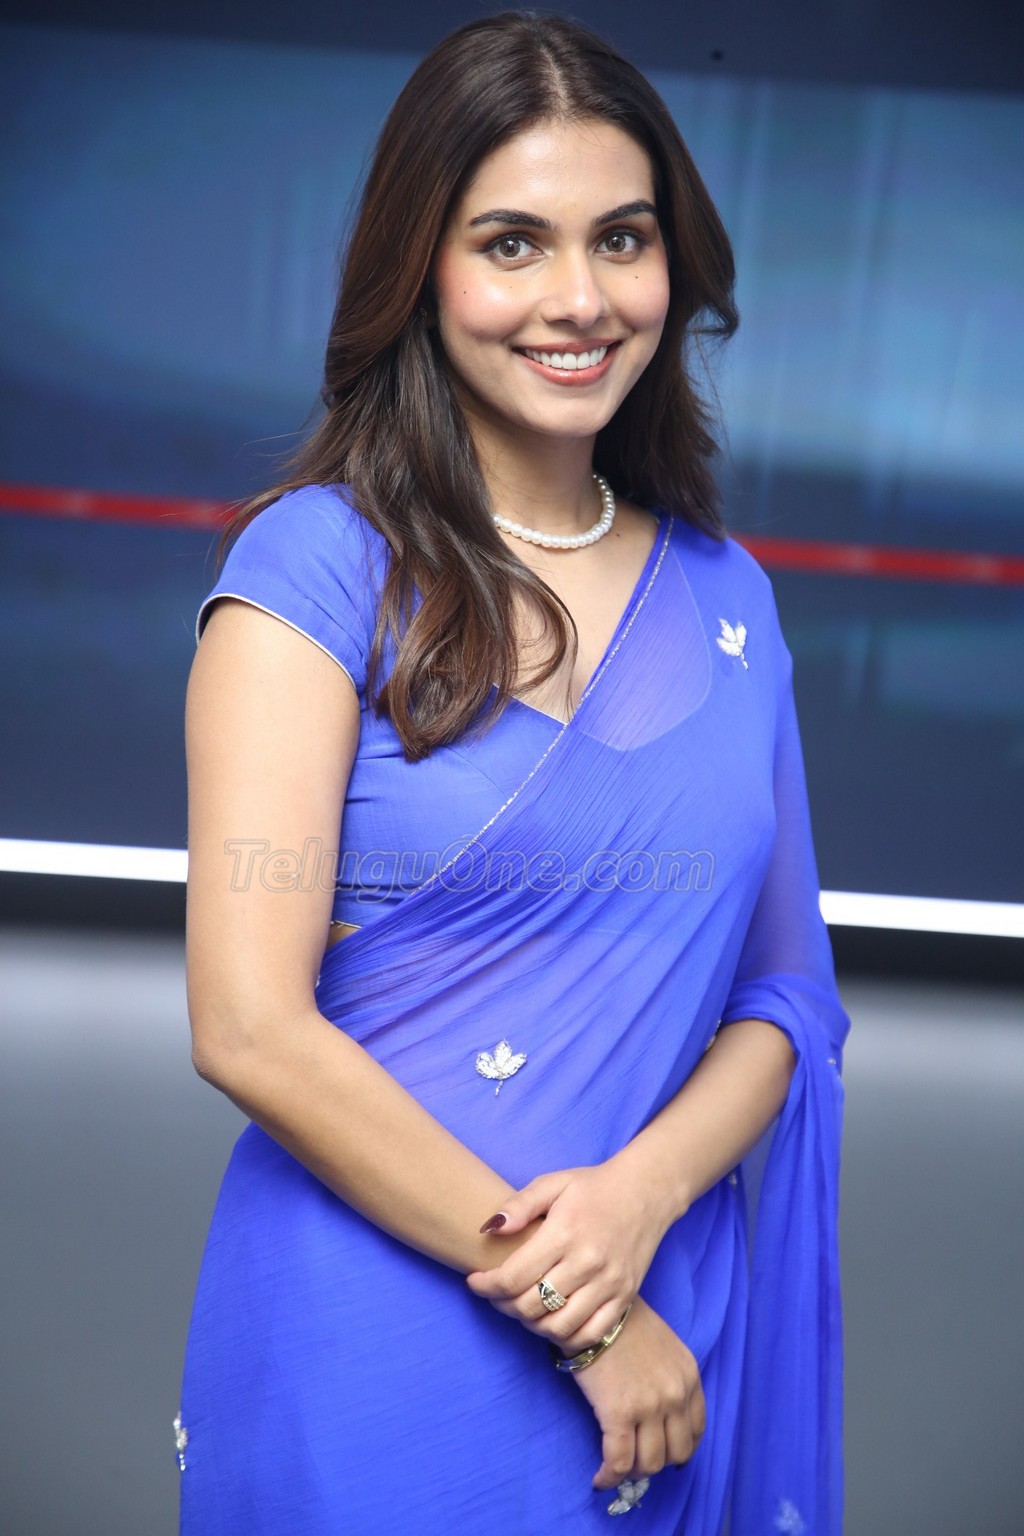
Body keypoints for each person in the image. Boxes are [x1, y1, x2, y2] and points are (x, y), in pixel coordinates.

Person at [178, 11, 849, 1533]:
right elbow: (249, 1026)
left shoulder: (729, 599)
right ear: (420, 267)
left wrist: (637, 1206)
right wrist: (589, 1316)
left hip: (663, 1306)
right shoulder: (318, 569)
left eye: (622, 239)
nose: (579, 298)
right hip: (384, 1320)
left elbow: (786, 997)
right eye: (512, 244)